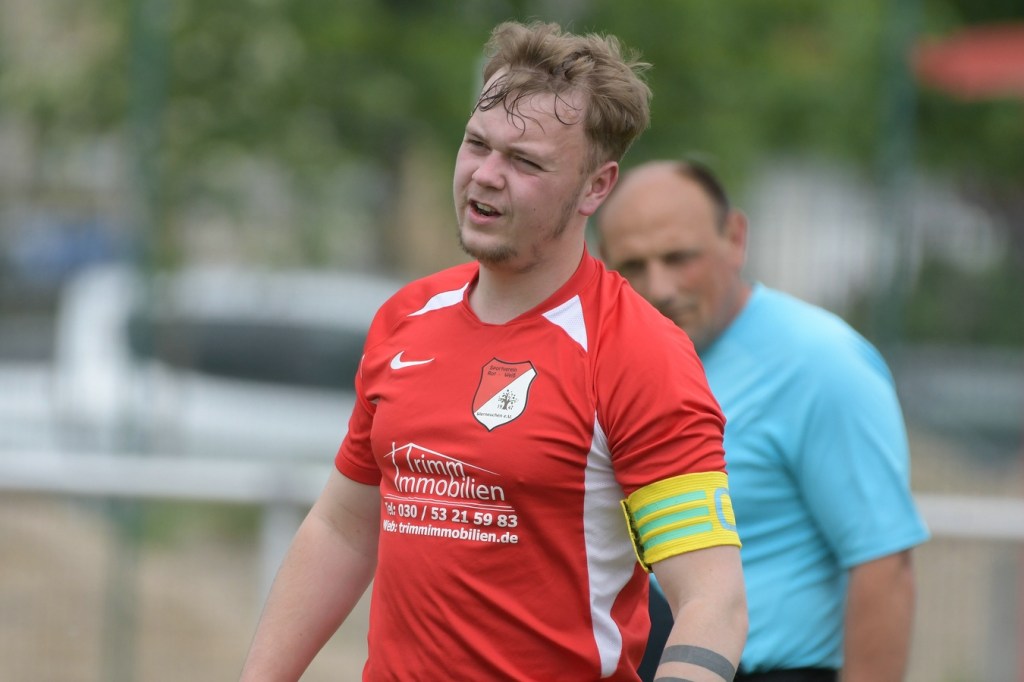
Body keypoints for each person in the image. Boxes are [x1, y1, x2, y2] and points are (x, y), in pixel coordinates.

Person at [240, 23, 748, 682]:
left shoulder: (638, 353)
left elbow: (713, 600)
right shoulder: (406, 319)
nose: (486, 175)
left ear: (596, 187)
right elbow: (343, 527)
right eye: (477, 144)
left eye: (525, 162)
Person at [596, 159, 931, 682]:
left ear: (735, 238)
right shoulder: (619, 362)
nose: (658, 287)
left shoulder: (821, 363)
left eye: (679, 257)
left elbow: (884, 566)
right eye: (633, 265)